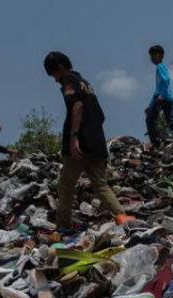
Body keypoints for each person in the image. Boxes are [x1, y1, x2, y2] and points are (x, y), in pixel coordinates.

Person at [44, 52, 124, 232]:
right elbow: (100, 115)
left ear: (59, 68)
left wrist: (74, 138)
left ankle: (63, 226)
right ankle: (124, 219)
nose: (56, 80)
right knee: (101, 185)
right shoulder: (86, 83)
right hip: (97, 145)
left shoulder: (68, 79)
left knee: (66, 185)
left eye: (53, 75)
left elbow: (77, 105)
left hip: (79, 147)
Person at [145, 45, 173, 146]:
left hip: (162, 98)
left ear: (161, 56)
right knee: (171, 123)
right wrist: (150, 105)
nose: (152, 57)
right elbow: (157, 90)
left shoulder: (161, 66)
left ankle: (155, 143)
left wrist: (161, 95)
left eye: (154, 55)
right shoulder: (159, 68)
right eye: (151, 55)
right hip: (167, 98)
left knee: (149, 118)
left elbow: (167, 80)